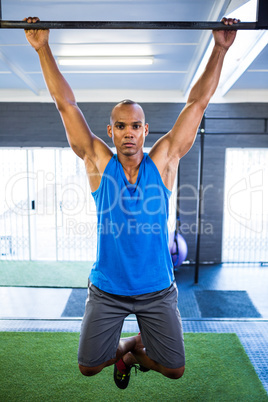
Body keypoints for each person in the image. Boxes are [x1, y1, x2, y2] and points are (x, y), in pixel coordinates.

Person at [24, 16, 238, 389]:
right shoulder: (97, 161)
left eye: (135, 126)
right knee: (89, 367)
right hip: (107, 289)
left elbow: (199, 102)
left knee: (175, 369)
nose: (128, 133)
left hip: (157, 288)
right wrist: (43, 48)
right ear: (111, 130)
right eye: (120, 126)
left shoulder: (166, 160)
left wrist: (219, 48)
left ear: (145, 130)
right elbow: (65, 104)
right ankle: (125, 347)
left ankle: (133, 351)